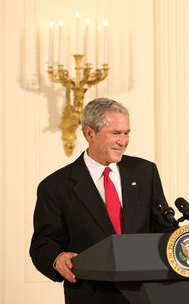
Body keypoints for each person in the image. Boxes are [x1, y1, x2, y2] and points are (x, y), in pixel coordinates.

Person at [30, 98, 175, 303]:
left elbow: (164, 228)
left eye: (126, 133)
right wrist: (57, 259)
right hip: (91, 296)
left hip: (145, 294)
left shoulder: (144, 172)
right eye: (115, 133)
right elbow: (43, 244)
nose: (123, 141)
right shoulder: (55, 186)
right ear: (90, 134)